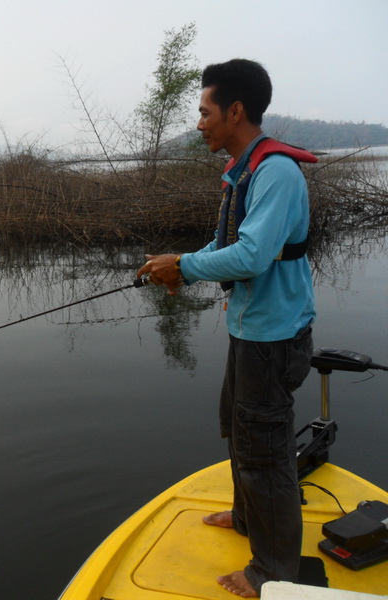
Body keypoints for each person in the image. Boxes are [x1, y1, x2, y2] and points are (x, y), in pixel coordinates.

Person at [136, 59, 316, 598]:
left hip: (274, 337)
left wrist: (184, 267)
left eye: (204, 111)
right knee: (239, 431)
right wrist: (179, 264)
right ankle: (244, 518)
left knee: (266, 450)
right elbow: (228, 246)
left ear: (235, 111)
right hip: (251, 331)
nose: (199, 123)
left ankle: (274, 571)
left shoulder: (277, 172)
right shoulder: (246, 169)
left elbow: (255, 255)